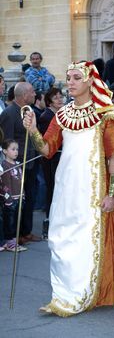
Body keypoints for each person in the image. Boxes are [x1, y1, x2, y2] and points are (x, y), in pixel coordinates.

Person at [23, 61, 114, 317]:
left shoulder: (107, 115)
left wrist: (111, 194)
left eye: (75, 78)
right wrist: (32, 131)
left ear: (88, 82)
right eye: (68, 77)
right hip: (66, 187)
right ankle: (64, 293)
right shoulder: (62, 114)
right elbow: (48, 150)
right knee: (63, 236)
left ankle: (79, 294)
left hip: (93, 188)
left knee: (86, 237)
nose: (69, 82)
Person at [0, 82, 41, 244]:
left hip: (30, 162)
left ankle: (26, 231)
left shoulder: (29, 111)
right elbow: (6, 141)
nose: (34, 94)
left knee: (29, 197)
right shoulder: (9, 114)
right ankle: (15, 235)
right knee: (16, 201)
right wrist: (11, 165)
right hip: (17, 165)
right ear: (24, 95)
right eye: (32, 92)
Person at [38, 87, 64, 239]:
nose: (60, 100)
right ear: (49, 101)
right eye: (56, 98)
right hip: (50, 159)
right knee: (52, 189)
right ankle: (48, 222)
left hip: (60, 157)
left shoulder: (60, 114)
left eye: (61, 96)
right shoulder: (46, 116)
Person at [0, 139, 27, 252]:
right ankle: (9, 242)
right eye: (13, 149)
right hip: (9, 200)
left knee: (17, 220)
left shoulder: (18, 164)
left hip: (19, 197)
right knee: (9, 221)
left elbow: (21, 181)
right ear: (5, 151)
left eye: (17, 149)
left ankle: (14, 241)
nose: (16, 152)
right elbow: (4, 185)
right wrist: (8, 199)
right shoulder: (4, 166)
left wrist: (23, 194)